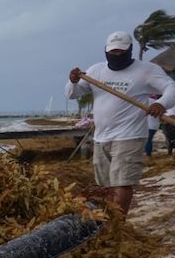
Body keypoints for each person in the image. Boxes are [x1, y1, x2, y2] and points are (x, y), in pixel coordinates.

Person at [67, 30, 175, 213]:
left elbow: (171, 87)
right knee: (106, 184)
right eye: (113, 51)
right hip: (101, 137)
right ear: (106, 51)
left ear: (130, 49)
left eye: (120, 51)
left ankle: (119, 224)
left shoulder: (146, 70)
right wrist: (73, 81)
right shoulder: (96, 70)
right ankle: (111, 220)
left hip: (129, 136)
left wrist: (161, 104)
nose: (116, 54)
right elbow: (72, 94)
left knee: (122, 182)